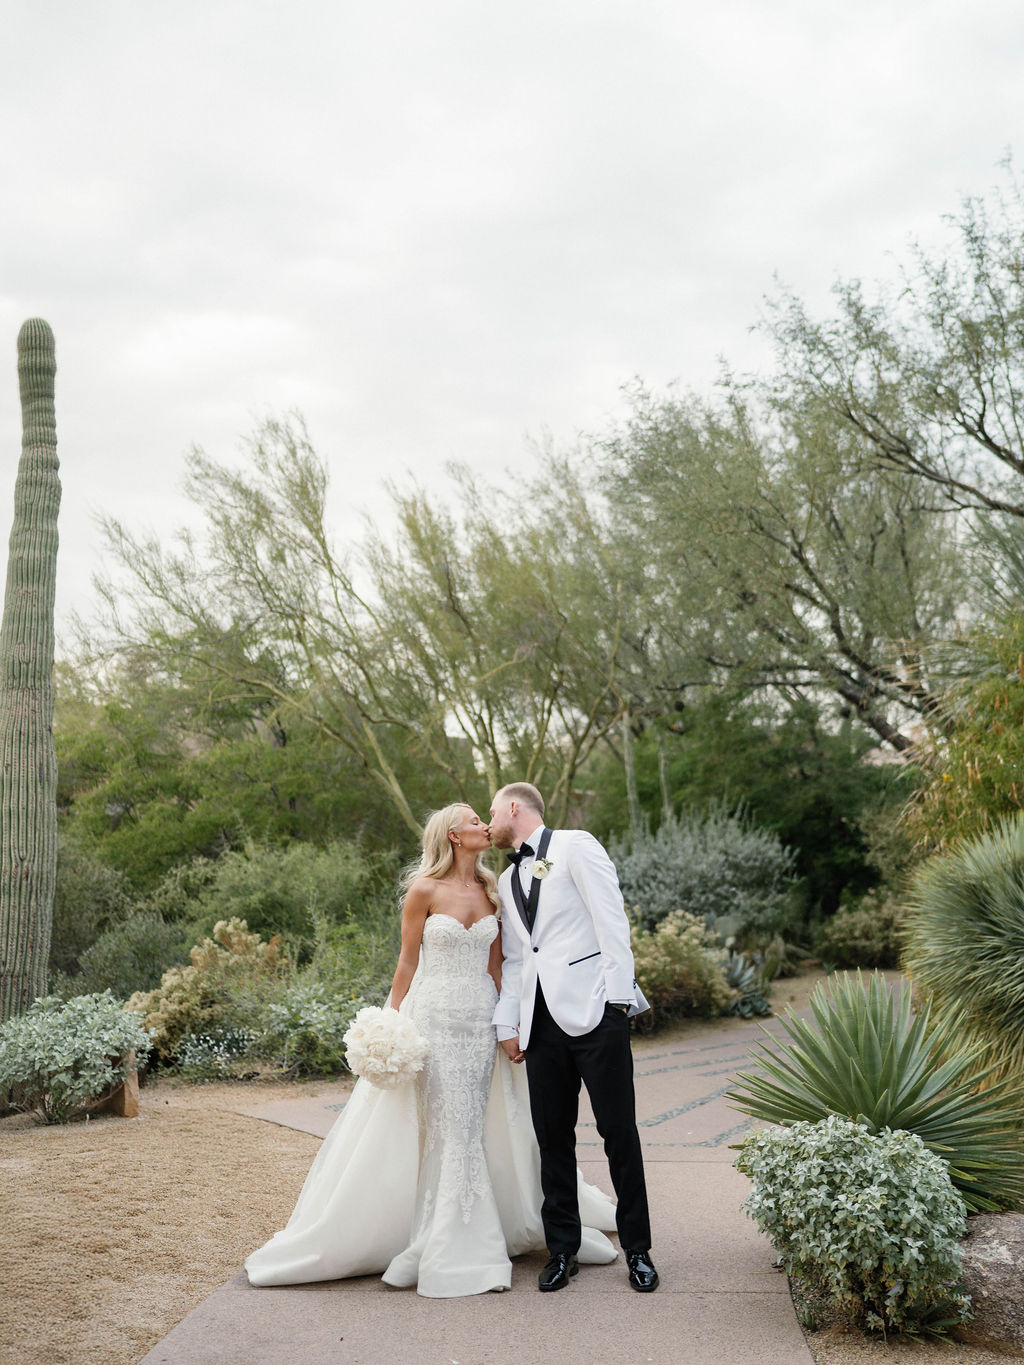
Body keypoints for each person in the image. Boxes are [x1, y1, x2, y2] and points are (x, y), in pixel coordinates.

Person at [245, 803, 617, 1298]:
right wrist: (389, 1022)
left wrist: (514, 1023)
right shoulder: (423, 890)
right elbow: (405, 962)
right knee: (444, 1123)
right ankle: (442, 1235)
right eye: (472, 820)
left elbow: (500, 967)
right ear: (454, 837)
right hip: (435, 1018)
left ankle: (490, 1223)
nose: (484, 824)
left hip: (481, 1021)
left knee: (480, 1120)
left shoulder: (492, 889)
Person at [489, 782, 659, 1294]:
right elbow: (520, 957)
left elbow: (612, 922)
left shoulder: (576, 845)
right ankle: (562, 1249)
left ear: (514, 807)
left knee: (618, 1133)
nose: (489, 821)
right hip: (540, 1026)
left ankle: (638, 1250)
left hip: (595, 1012)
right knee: (552, 1140)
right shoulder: (504, 878)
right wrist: (509, 1023)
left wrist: (617, 1001)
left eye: (492, 812)